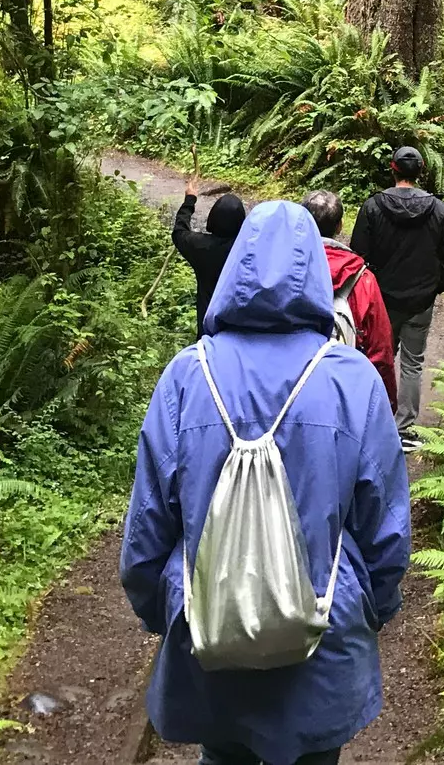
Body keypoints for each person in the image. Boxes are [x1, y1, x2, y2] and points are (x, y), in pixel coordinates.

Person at [121, 200, 411, 765]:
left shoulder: (187, 374)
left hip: (209, 634)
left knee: (223, 753)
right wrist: (371, 609)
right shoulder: (352, 380)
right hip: (323, 635)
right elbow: (385, 529)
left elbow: (148, 524)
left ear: (235, 268)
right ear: (314, 269)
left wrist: (169, 608)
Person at [349, 146, 444, 447]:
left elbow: (358, 254)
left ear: (393, 167)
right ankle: (404, 429)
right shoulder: (438, 209)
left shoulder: (373, 206)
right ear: (421, 170)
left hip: (382, 299)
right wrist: (438, 285)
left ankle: (374, 421)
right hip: (420, 301)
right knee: (413, 363)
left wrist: (368, 288)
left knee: (378, 358)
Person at [300, 188, 397, 408]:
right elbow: (380, 350)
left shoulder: (282, 268)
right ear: (339, 226)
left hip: (289, 392)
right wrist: (386, 404)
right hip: (341, 392)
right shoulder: (362, 279)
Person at [173, 180, 248, 327]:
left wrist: (189, 200)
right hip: (241, 328)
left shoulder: (200, 247)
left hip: (209, 329)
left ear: (212, 219)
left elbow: (179, 233)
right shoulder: (249, 249)